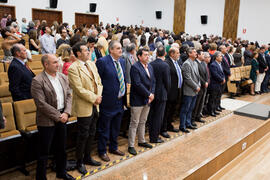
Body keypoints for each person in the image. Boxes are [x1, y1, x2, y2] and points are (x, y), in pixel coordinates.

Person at [31, 54, 74, 180]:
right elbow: (41, 104)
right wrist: (58, 116)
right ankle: (41, 177)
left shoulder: (62, 76)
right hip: (47, 120)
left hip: (63, 116)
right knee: (44, 152)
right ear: (46, 64)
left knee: (62, 148)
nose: (58, 64)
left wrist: (66, 112)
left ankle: (61, 172)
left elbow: (69, 95)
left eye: (58, 62)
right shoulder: (37, 80)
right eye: (55, 62)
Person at [68, 42, 103, 174]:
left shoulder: (92, 64)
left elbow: (99, 82)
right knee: (83, 134)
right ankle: (79, 161)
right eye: (85, 50)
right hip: (84, 105)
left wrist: (98, 97)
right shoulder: (73, 68)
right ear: (78, 53)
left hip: (95, 104)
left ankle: (88, 157)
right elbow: (78, 89)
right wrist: (94, 98)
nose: (88, 52)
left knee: (92, 132)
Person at [96, 40, 126, 162]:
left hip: (120, 101)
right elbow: (98, 82)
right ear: (111, 50)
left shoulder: (122, 62)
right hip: (107, 102)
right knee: (104, 128)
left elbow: (122, 79)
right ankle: (102, 150)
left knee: (116, 127)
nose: (120, 50)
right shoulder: (102, 62)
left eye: (121, 48)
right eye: (118, 48)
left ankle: (114, 147)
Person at [127, 48, 155, 155]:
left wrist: (152, 94)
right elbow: (137, 84)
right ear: (139, 56)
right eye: (145, 55)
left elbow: (153, 82)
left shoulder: (150, 66)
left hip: (148, 99)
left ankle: (142, 140)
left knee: (143, 121)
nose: (148, 57)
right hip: (138, 99)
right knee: (134, 122)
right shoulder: (135, 67)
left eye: (148, 55)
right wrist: (149, 94)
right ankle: (131, 145)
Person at [148, 45, 171, 143]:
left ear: (156, 53)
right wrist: (167, 91)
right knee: (158, 117)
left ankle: (151, 135)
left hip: (152, 93)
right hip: (162, 94)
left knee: (152, 116)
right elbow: (167, 82)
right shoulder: (165, 65)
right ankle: (154, 137)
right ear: (165, 54)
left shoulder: (151, 64)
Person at [161, 47, 182, 137]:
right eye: (177, 53)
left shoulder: (176, 62)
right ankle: (163, 128)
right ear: (172, 54)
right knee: (166, 111)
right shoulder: (167, 63)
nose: (179, 54)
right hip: (170, 91)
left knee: (172, 110)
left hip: (177, 90)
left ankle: (169, 125)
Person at [179, 47, 200, 133]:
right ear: (189, 54)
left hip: (195, 90)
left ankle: (188, 123)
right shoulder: (186, 64)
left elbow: (198, 76)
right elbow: (187, 78)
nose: (196, 53)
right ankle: (182, 126)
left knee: (191, 108)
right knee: (185, 109)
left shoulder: (195, 63)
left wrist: (198, 85)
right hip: (189, 90)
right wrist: (196, 86)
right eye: (194, 52)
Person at [192, 50, 209, 125]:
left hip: (204, 86)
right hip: (199, 85)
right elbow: (198, 75)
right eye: (202, 54)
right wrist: (204, 82)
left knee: (201, 102)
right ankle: (193, 118)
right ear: (198, 55)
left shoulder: (203, 63)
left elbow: (206, 74)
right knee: (196, 103)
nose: (203, 56)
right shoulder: (196, 63)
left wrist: (207, 81)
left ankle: (198, 116)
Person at [207, 51, 225, 117]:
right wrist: (221, 79)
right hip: (214, 84)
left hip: (219, 83)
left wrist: (223, 78)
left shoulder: (220, 64)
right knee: (212, 98)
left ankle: (214, 109)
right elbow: (215, 74)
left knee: (217, 97)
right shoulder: (213, 64)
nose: (221, 57)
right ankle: (211, 111)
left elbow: (222, 73)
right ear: (216, 57)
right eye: (220, 56)